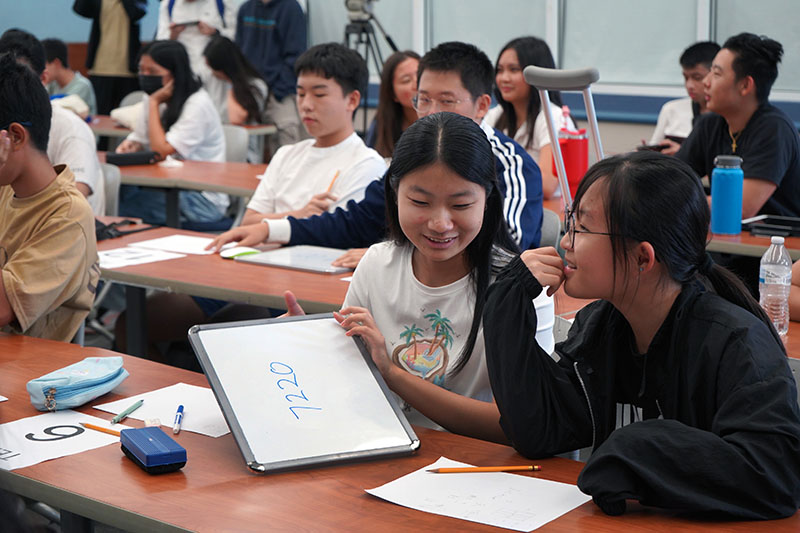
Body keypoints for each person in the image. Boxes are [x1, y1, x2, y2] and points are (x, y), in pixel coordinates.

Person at [482, 151, 800, 519]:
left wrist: (638, 446)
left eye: (581, 229)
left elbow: (775, 475)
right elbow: (540, 430)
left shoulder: (736, 344)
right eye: (570, 223)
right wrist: (506, 305)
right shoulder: (602, 326)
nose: (565, 242)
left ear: (642, 259)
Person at [114, 43, 386, 359]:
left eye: (319, 94)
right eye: (300, 94)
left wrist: (274, 225)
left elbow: (332, 235)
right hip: (248, 271)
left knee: (228, 342)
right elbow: (248, 224)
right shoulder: (287, 154)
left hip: (297, 287)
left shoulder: (365, 163)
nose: (306, 105)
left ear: (352, 99)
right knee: (135, 321)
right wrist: (297, 214)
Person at [286, 112, 519, 441]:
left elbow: (512, 424)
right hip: (382, 446)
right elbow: (348, 381)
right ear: (394, 194)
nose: (440, 223)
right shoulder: (377, 264)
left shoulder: (516, 287)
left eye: (461, 204)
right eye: (420, 202)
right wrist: (303, 344)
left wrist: (393, 373)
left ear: (487, 199)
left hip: (474, 468)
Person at [209, 41, 544, 265]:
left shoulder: (510, 163)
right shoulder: (414, 155)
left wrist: (384, 255)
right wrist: (273, 230)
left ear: (482, 105)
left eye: (446, 101)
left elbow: (507, 248)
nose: (430, 112)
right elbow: (357, 221)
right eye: (423, 99)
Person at [0, 52, 100, 342]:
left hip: (29, 373)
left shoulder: (67, 215)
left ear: (15, 137)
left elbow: (3, 308)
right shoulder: (6, 188)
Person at [676, 33, 800, 219]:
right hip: (724, 240)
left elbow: (737, 208)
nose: (706, 82)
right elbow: (670, 181)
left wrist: (675, 203)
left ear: (745, 85)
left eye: (716, 74)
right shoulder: (710, 124)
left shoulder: (774, 129)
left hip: (776, 244)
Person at [117, 40, 228, 226]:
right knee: (113, 192)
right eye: (141, 70)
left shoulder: (197, 104)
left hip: (201, 198)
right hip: (164, 187)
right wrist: (131, 144)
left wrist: (153, 104)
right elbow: (142, 138)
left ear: (175, 73)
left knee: (120, 207)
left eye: (152, 72)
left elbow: (161, 150)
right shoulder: (152, 96)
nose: (145, 76)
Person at [0, 29, 105, 216]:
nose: (10, 90)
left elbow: (70, 209)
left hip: (64, 233)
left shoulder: (70, 128)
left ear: (43, 79)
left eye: (20, 81)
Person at [485, 36, 574, 199]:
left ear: (538, 74)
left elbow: (546, 184)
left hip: (548, 213)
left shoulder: (554, 117)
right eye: (500, 70)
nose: (504, 78)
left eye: (514, 69)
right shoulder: (495, 115)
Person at [236, 0, 307, 155]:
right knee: (245, 142)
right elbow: (238, 50)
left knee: (287, 140)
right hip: (250, 90)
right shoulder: (246, 9)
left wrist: (278, 91)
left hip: (279, 92)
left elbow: (296, 56)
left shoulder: (291, 8)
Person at [155, 0, 237, 117]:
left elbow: (235, 37)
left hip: (215, 71)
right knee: (184, 114)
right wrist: (173, 34)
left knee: (217, 114)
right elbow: (160, 43)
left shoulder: (222, 3)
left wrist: (215, 31)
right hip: (182, 71)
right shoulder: (168, 4)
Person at [72, 0, 147, 116]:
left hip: (128, 71)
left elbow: (137, 13)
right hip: (100, 68)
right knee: (100, 116)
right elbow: (79, 9)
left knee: (128, 118)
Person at [203, 35, 268, 162]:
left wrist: (230, 82)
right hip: (212, 149)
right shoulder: (210, 79)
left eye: (214, 68)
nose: (211, 72)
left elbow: (236, 119)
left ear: (225, 68)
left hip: (243, 153)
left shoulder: (256, 86)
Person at [648, 41, 719, 155]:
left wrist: (682, 153)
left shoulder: (728, 115)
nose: (689, 85)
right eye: (686, 78)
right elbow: (654, 150)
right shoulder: (671, 109)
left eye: (697, 78)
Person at [364, 50, 420, 158]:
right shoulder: (381, 126)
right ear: (392, 94)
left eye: (420, 75)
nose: (417, 84)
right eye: (406, 80)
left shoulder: (444, 118)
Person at [42, 38, 99, 115]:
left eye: (43, 65)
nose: (40, 71)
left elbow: (62, 110)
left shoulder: (82, 85)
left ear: (56, 63)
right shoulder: (52, 83)